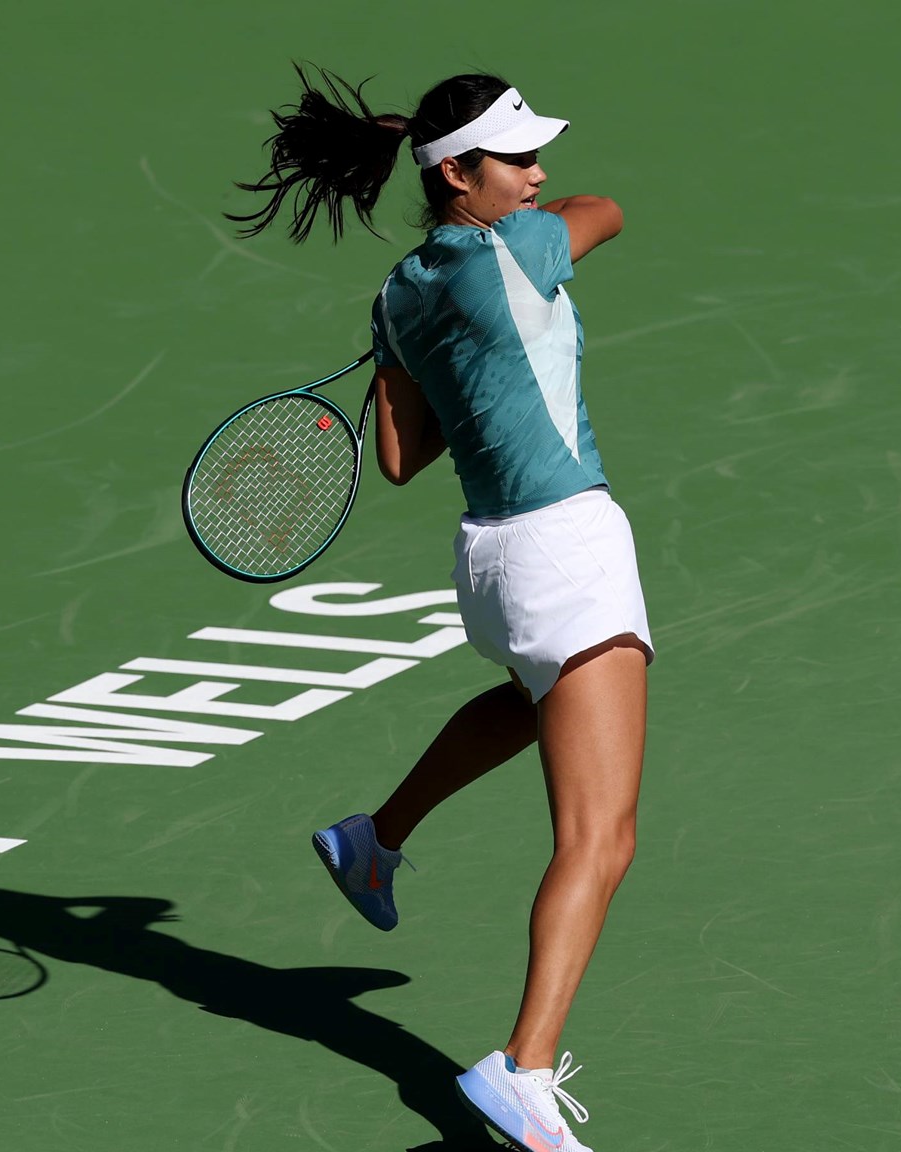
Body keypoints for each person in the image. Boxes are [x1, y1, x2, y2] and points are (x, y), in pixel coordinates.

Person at [230, 67, 652, 1152]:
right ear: (455, 171)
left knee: (530, 699)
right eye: (514, 160)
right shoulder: (520, 247)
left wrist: (396, 359)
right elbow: (605, 211)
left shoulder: (397, 293)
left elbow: (401, 456)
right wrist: (528, 223)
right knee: (598, 840)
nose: (539, 175)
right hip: (564, 547)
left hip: (489, 564)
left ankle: (375, 840)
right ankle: (518, 1069)